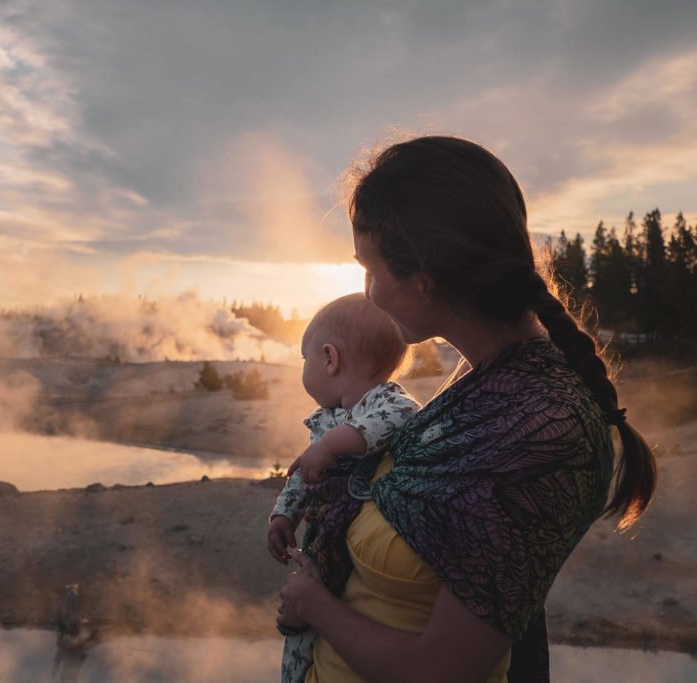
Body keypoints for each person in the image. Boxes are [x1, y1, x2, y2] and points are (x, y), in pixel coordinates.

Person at [276, 135, 657, 683]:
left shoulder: (540, 430)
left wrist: (315, 604)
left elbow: (442, 672)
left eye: (371, 269)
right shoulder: (488, 382)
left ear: (424, 276)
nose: (369, 293)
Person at [267, 293, 421, 683]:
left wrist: (332, 445)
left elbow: (398, 418)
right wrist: (285, 513)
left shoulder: (387, 400)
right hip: (325, 538)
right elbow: (304, 472)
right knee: (299, 630)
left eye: (305, 359)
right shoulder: (326, 420)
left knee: (324, 612)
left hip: (355, 545)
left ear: (329, 358)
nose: (303, 369)